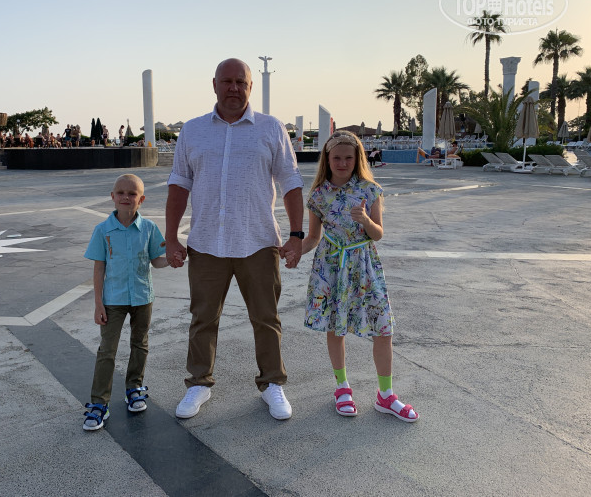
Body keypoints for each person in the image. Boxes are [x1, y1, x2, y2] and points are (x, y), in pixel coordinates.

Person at [165, 58, 304, 421]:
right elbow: (179, 184)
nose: (233, 88)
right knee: (202, 318)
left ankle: (272, 383)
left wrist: (296, 235)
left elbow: (290, 182)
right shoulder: (193, 130)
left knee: (266, 317)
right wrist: (171, 237)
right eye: (226, 81)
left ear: (250, 87)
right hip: (206, 242)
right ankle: (198, 382)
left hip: (257, 240)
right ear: (214, 85)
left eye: (241, 82)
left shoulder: (271, 128)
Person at [288, 131, 419, 422]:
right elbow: (313, 237)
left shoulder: (370, 190)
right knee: (336, 327)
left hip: (364, 264)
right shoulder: (319, 194)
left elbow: (378, 234)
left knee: (383, 327)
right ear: (327, 159)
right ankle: (342, 387)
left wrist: (366, 220)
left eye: (349, 157)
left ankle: (386, 395)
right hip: (331, 265)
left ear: (357, 158)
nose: (343, 163)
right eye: (337, 158)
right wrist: (296, 252)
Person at [82, 174, 168, 431]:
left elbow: (156, 260)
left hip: (142, 297)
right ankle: (99, 403)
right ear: (112, 196)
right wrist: (98, 304)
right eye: (120, 192)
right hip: (113, 299)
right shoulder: (103, 230)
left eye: (132, 194)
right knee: (107, 350)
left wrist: (174, 258)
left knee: (139, 344)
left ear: (141, 199)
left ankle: (134, 388)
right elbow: (99, 269)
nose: (126, 197)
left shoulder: (149, 228)